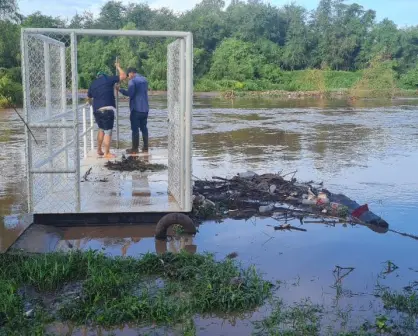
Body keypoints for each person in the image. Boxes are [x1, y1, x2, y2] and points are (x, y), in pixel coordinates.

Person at [87, 62, 126, 158]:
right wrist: (118, 67)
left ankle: (99, 149)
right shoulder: (108, 79)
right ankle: (107, 153)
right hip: (107, 110)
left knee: (101, 129)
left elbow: (88, 98)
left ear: (97, 77)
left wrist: (92, 105)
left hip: (97, 111)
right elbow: (124, 76)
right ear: (104, 76)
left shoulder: (93, 84)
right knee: (108, 131)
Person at [119, 68, 149, 154]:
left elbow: (130, 93)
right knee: (144, 128)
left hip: (136, 109)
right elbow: (140, 93)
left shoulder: (132, 81)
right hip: (145, 108)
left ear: (131, 73)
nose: (128, 78)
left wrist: (120, 90)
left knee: (135, 129)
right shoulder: (144, 79)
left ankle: (135, 149)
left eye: (128, 76)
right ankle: (145, 147)